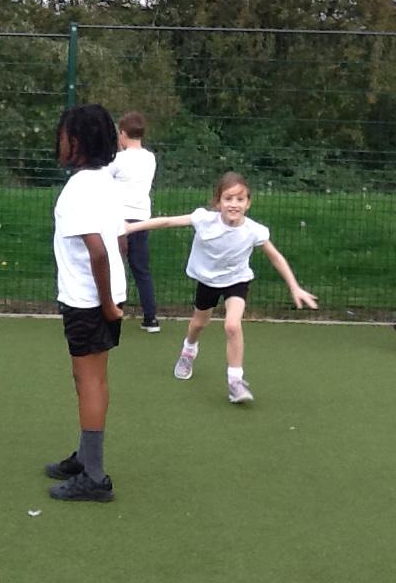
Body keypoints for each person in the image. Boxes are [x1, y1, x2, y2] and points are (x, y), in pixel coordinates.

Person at [126, 171, 318, 403]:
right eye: (228, 198)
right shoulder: (205, 220)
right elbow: (167, 221)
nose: (234, 204)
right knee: (198, 324)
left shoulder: (254, 231)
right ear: (218, 202)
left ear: (248, 203)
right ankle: (189, 350)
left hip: (237, 281)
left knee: (232, 326)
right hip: (207, 281)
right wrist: (130, 228)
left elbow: (276, 257)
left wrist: (294, 287)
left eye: (240, 199)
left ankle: (235, 382)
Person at [45, 104, 126, 503]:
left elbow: (98, 251)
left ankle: (93, 475)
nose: (58, 143)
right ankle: (85, 456)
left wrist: (106, 303)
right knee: (96, 379)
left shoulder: (77, 190)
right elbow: (121, 241)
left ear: (76, 143)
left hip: (88, 301)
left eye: (63, 137)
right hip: (102, 296)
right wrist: (115, 294)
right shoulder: (106, 182)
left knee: (87, 381)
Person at [107, 111, 160, 332]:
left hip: (118, 220)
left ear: (123, 133)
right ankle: (151, 319)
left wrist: (117, 151)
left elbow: (105, 178)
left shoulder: (118, 160)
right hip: (141, 220)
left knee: (114, 266)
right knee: (141, 270)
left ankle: (113, 313)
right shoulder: (150, 158)